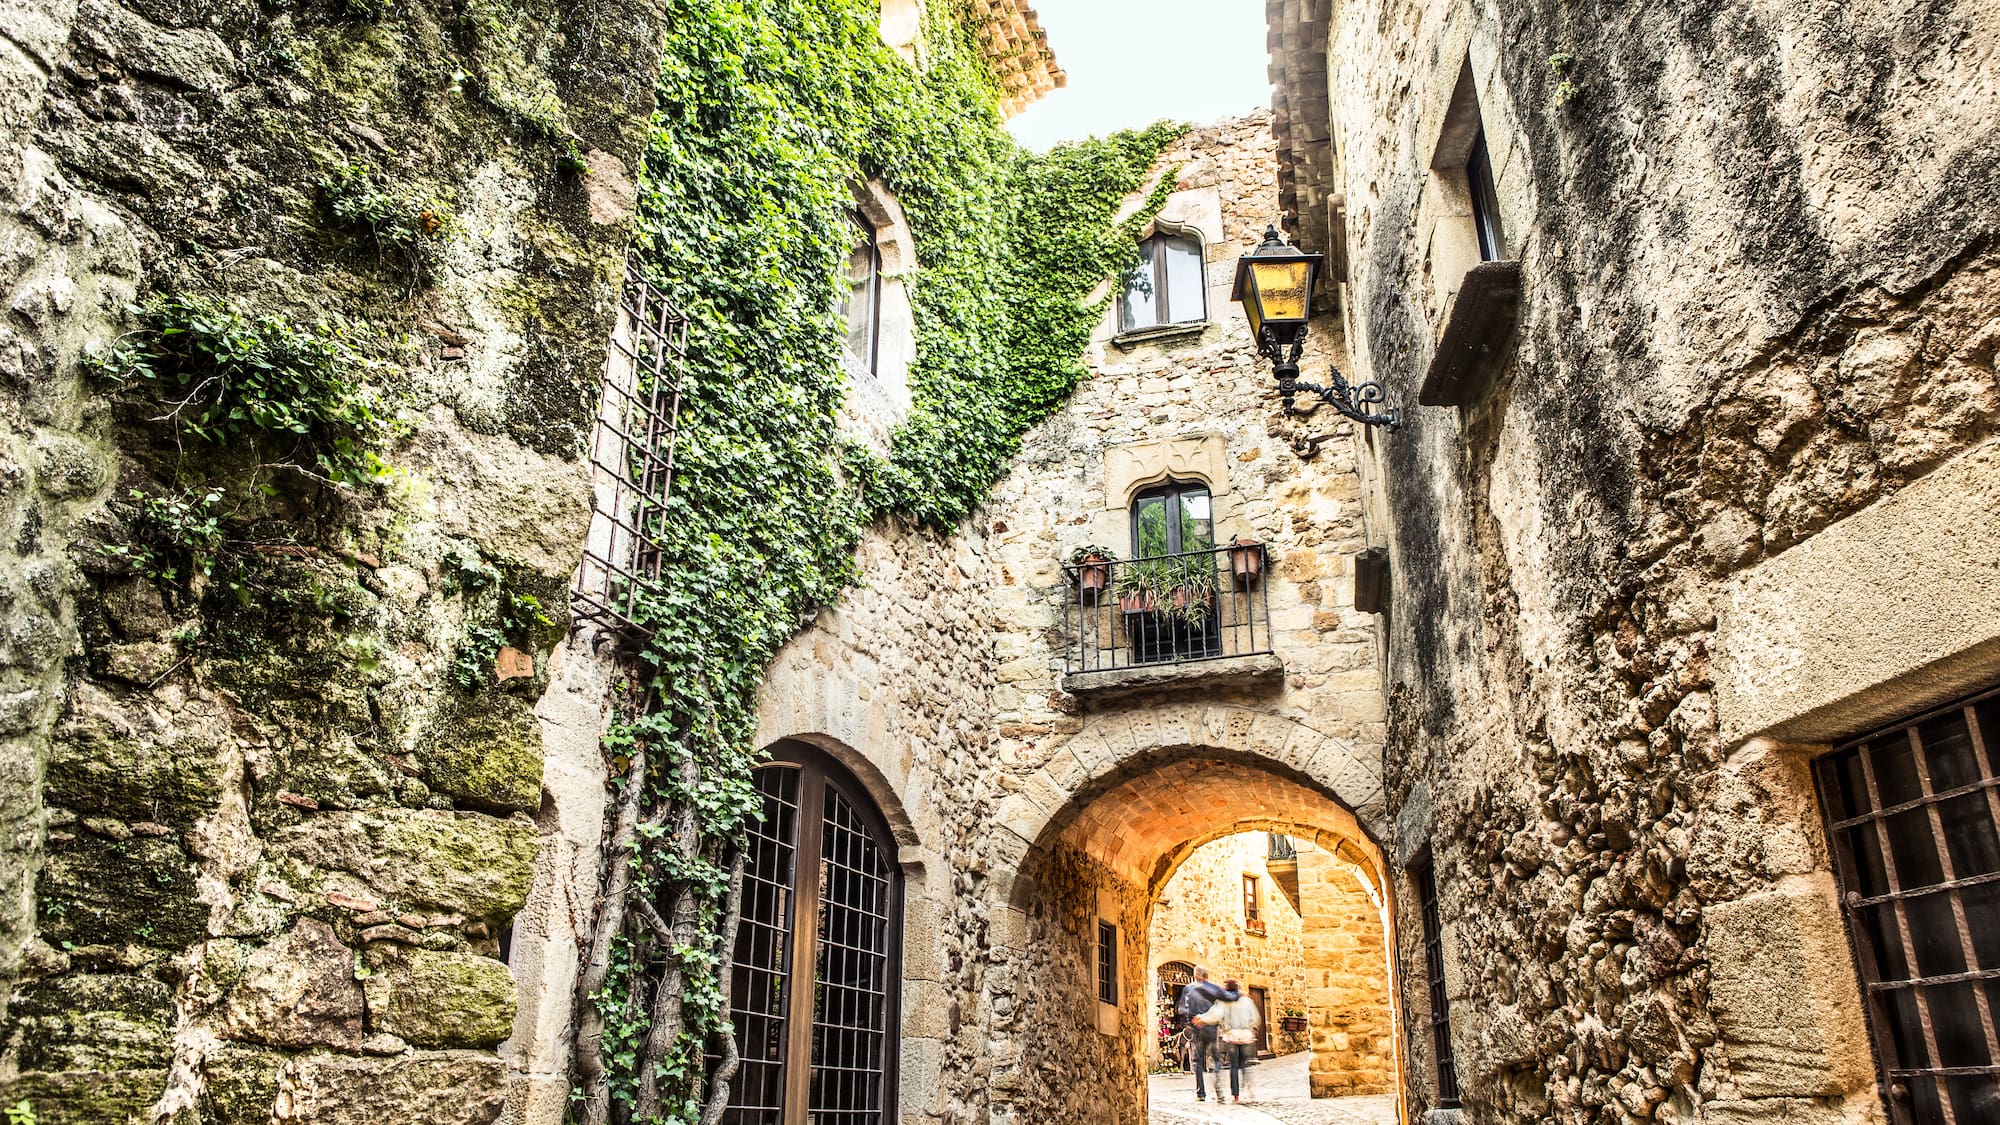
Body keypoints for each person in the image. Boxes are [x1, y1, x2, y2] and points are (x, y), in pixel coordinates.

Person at [1174, 967, 1238, 1102]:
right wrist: (1237, 992)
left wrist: (1191, 1019)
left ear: (1195, 975)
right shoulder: (1214, 988)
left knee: (1197, 1061)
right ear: (1206, 976)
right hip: (1211, 1028)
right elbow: (1230, 997)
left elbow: (1181, 1009)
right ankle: (1218, 1089)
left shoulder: (1188, 989)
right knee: (1215, 1058)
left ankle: (1201, 1093)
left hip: (1196, 1028)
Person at [1215, 978, 1261, 1103]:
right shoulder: (1247, 1001)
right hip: (1245, 1036)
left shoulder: (1225, 1002)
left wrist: (1223, 1027)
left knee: (1233, 1066)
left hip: (1231, 1036)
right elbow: (1255, 1018)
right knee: (1245, 1064)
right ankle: (1249, 1089)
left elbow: (1219, 1017)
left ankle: (1235, 1095)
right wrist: (1252, 1029)